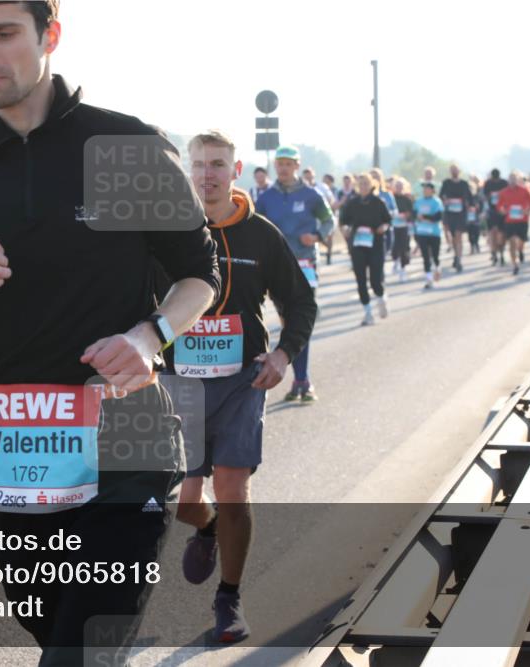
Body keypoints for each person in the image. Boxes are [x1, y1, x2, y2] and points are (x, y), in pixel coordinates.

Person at [0, 2, 221, 664]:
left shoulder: (127, 147)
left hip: (127, 448)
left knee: (80, 651)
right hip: (16, 461)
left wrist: (149, 338)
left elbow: (198, 275)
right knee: (57, 634)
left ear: (50, 36)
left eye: (2, 34)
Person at [175, 132, 316, 642]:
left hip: (240, 378)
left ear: (234, 171)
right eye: (198, 164)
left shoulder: (261, 234)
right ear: (186, 171)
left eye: (217, 164)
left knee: (233, 487)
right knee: (182, 503)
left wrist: (283, 355)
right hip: (178, 381)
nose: (207, 174)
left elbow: (300, 302)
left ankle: (229, 598)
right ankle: (206, 526)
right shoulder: (165, 231)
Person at [256, 145, 332, 402]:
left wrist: (318, 236)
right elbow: (255, 227)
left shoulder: (311, 195)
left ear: (297, 166)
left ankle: (302, 379)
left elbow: (329, 220)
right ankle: (300, 378)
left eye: (288, 164)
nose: (283, 168)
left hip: (306, 262)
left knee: (300, 318)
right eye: (280, 164)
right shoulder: (266, 198)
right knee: (288, 323)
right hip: (278, 267)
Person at [340, 173, 391, 325]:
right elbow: (343, 221)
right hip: (357, 245)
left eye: (365, 184)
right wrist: (345, 229)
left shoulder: (378, 202)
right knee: (360, 280)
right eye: (360, 184)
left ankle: (381, 298)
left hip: (375, 244)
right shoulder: (352, 203)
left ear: (372, 185)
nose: (363, 186)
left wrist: (383, 227)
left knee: (375, 280)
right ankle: (368, 312)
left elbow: (387, 221)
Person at [497, 170, 530, 276]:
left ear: (518, 180)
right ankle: (515, 265)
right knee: (512, 242)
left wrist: (527, 209)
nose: (512, 181)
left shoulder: (524, 190)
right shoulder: (503, 192)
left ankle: (520, 251)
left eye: (514, 179)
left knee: (521, 241)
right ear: (508, 180)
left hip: (522, 220)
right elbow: (499, 206)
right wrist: (503, 210)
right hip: (510, 221)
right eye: (511, 179)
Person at [439, 164, 474, 272]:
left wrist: (471, 206)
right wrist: (445, 200)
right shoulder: (446, 183)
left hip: (460, 213)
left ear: (459, 171)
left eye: (456, 170)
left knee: (459, 236)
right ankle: (456, 254)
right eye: (452, 170)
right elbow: (441, 196)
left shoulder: (464, 183)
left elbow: (470, 197)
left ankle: (459, 259)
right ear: (450, 172)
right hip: (450, 213)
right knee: (453, 236)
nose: (454, 172)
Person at [413, 182, 445, 289]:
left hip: (434, 233)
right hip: (422, 232)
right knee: (425, 257)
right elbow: (414, 215)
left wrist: (425, 217)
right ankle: (429, 279)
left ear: (432, 190)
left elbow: (438, 217)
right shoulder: (418, 201)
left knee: (435, 256)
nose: (425, 190)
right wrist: (418, 218)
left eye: (427, 188)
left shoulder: (436, 201)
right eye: (424, 189)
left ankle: (437, 268)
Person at [482, 168, 509, 266]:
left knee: (502, 234)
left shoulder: (504, 183)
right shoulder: (488, 184)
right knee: (493, 232)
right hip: (492, 211)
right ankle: (494, 252)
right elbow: (485, 198)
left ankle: (501, 251)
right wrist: (485, 211)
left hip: (502, 211)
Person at [369, 168, 397, 257]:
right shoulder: (366, 195)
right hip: (369, 230)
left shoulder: (387, 194)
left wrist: (388, 214)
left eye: (377, 177)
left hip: (385, 229)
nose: (375, 179)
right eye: (373, 177)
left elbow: (395, 210)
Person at [391, 178, 414, 282]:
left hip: (404, 226)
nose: (399, 188)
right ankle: (395, 260)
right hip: (394, 226)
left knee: (404, 247)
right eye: (397, 186)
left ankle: (403, 269)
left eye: (401, 186)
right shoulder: (392, 198)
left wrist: (407, 215)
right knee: (395, 246)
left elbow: (412, 212)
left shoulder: (407, 199)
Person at [467, 174, 484, 254]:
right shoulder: (466, 197)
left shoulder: (478, 196)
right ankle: (472, 245)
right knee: (470, 232)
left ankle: (476, 244)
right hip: (469, 217)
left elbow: (481, 205)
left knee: (476, 231)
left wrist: (478, 209)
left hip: (476, 217)